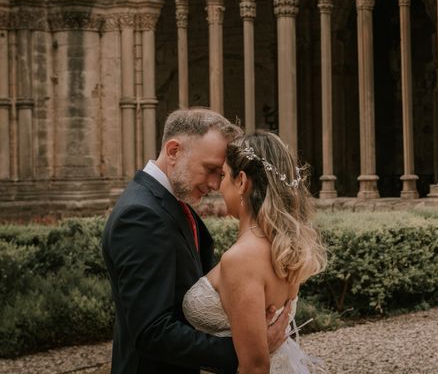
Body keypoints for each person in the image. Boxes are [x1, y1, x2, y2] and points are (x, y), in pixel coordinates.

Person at [102, 108, 290, 374]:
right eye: (211, 169)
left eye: (221, 174)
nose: (215, 184)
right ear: (174, 151)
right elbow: (151, 331)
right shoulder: (140, 215)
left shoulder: (172, 203)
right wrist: (246, 350)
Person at [182, 131, 328, 373]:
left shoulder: (242, 259)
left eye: (224, 175)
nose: (218, 185)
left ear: (241, 181)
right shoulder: (285, 247)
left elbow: (255, 367)